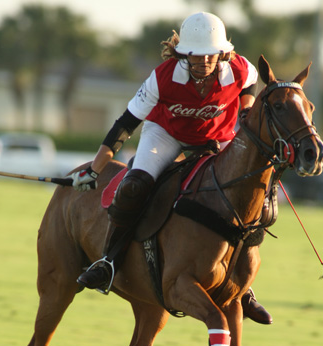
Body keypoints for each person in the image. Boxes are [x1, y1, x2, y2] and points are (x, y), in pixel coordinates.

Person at [67, 12, 272, 324]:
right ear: (183, 53)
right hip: (166, 135)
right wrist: (94, 169)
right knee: (135, 185)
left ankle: (243, 288)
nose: (203, 62)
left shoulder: (239, 69)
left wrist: (244, 109)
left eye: (210, 55)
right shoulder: (163, 77)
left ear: (222, 53)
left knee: (255, 198)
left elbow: (253, 82)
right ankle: (109, 260)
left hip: (216, 138)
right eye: (195, 55)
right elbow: (125, 125)